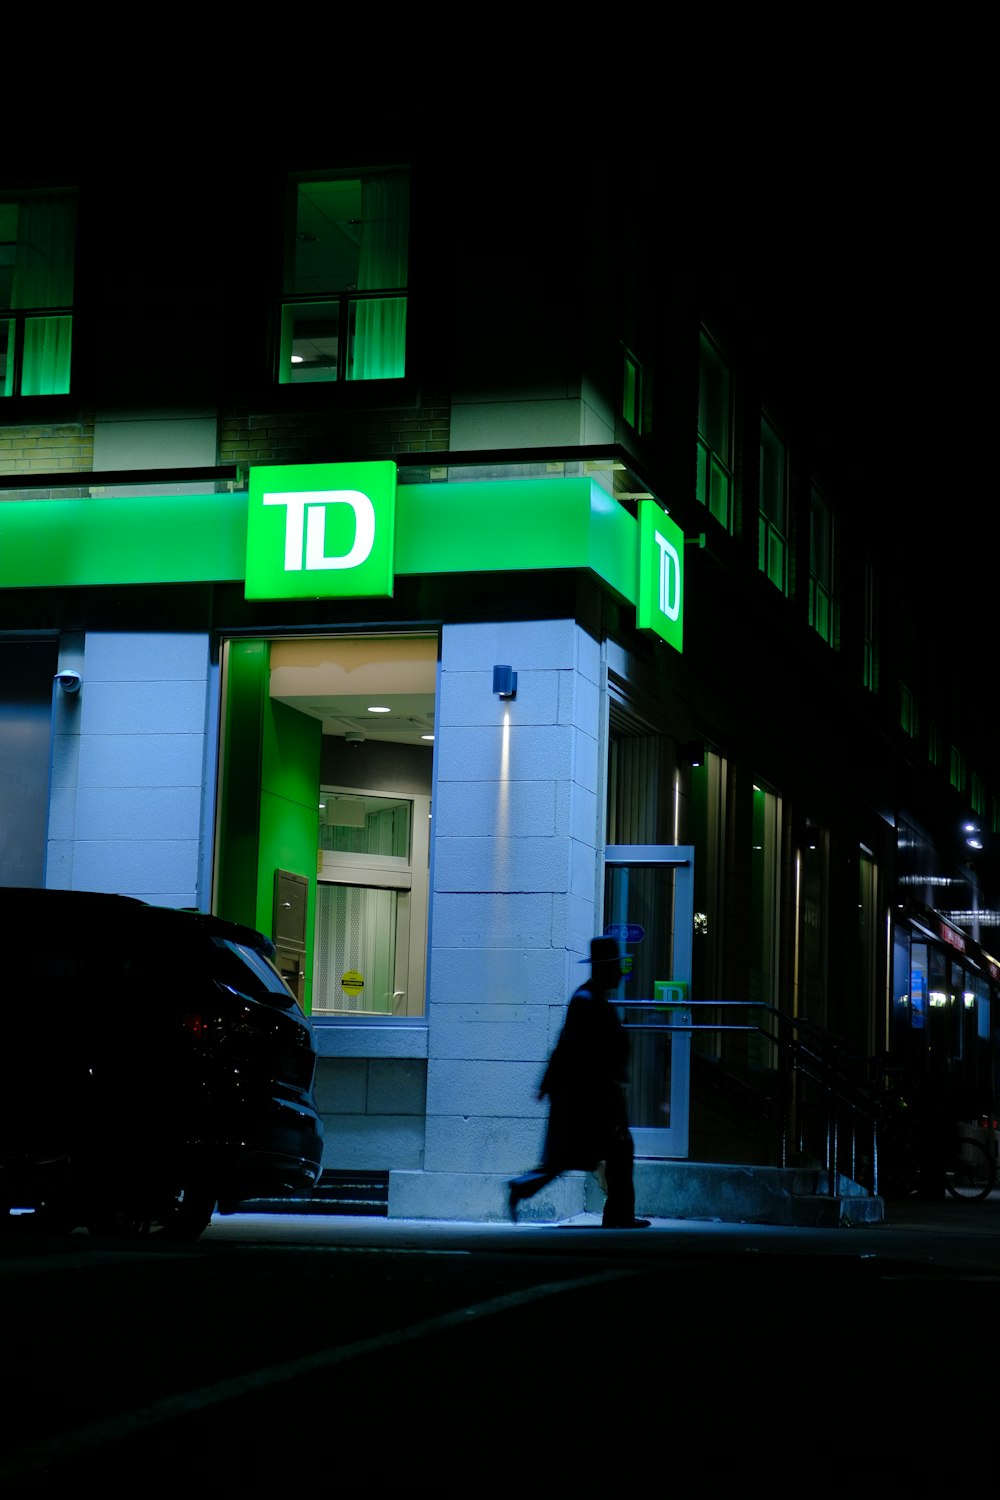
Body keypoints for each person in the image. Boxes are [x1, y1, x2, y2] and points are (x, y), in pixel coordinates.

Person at [507, 936, 650, 1228]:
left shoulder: (591, 999)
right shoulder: (588, 1001)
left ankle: (522, 1187)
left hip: (589, 1097)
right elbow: (569, 1047)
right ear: (603, 969)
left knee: (573, 1156)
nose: (620, 975)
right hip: (589, 1099)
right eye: (616, 968)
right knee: (612, 1150)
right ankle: (618, 1215)